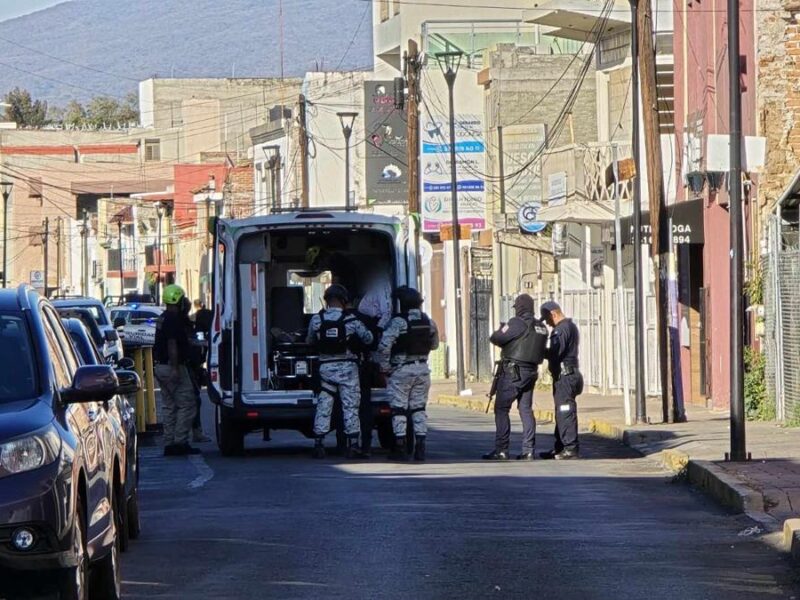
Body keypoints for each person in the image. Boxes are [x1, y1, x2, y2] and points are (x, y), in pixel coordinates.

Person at [307, 284, 374, 459]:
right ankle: (353, 444)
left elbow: (309, 340)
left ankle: (319, 443)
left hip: (326, 369)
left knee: (324, 405)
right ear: (344, 301)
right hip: (348, 369)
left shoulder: (316, 320)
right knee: (350, 406)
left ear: (327, 300)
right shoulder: (351, 320)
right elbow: (368, 339)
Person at [482, 294, 548, 461]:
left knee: (501, 408)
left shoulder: (517, 323)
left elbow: (496, 338)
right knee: (525, 409)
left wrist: (501, 328)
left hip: (513, 372)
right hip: (531, 372)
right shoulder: (541, 326)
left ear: (519, 308)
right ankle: (529, 450)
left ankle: (502, 449)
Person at [378, 286, 439, 462]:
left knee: (399, 409)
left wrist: (385, 367)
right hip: (422, 370)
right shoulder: (428, 321)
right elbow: (434, 345)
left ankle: (400, 446)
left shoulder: (398, 322)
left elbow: (384, 346)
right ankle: (420, 446)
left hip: (401, 370)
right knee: (419, 408)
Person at [153, 284, 200, 456]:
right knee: (187, 404)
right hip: (172, 366)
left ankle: (169, 443)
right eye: (182, 299)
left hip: (161, 366)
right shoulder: (173, 320)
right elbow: (172, 344)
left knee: (169, 406)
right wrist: (175, 368)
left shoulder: (163, 318)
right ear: (177, 300)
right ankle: (180, 442)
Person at [539, 301, 583, 460]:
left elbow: (556, 352)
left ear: (554, 314)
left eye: (548, 320)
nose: (548, 324)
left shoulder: (562, 329)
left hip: (566, 376)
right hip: (568, 375)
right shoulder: (570, 327)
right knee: (561, 412)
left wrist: (540, 351)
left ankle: (570, 448)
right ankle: (560, 447)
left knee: (565, 411)